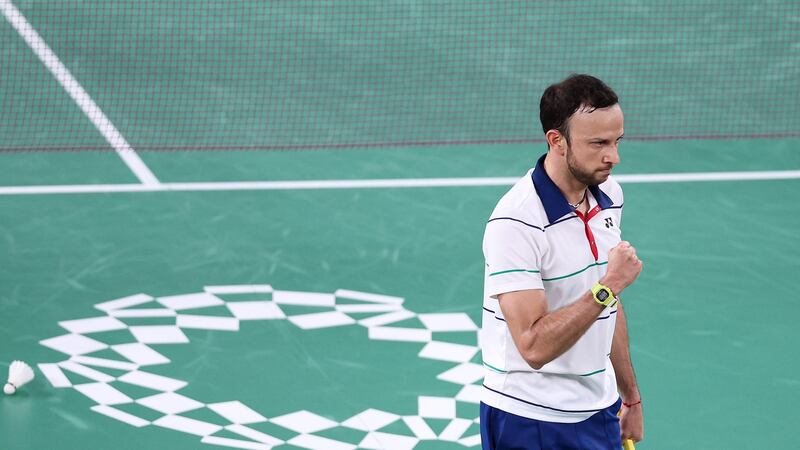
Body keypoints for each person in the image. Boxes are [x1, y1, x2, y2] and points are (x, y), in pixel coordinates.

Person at [479, 74, 644, 449]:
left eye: (616, 141)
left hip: (598, 408)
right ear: (556, 141)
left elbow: (608, 308)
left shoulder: (608, 195)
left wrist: (629, 396)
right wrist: (608, 286)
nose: (613, 157)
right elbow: (534, 347)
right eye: (598, 144)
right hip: (529, 418)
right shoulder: (516, 222)